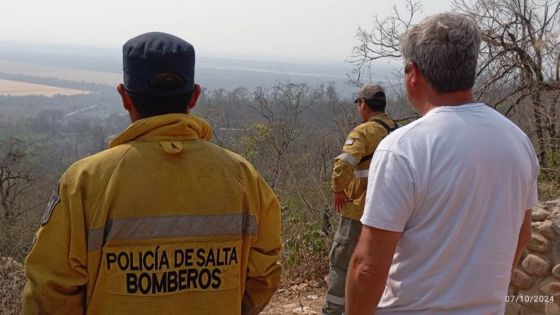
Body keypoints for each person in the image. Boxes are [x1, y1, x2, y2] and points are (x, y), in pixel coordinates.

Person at [22, 32, 282, 315]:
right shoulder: (243, 177)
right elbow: (264, 273)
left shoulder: (85, 181)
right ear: (194, 96)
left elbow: (49, 291)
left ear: (124, 97)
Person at [345, 13, 538, 315]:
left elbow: (368, 267)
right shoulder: (517, 142)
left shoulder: (403, 149)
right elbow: (522, 234)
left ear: (414, 74)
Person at [323, 84, 396, 315]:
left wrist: (338, 190)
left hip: (358, 211)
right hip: (391, 215)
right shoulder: (398, 132)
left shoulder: (363, 133)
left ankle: (334, 310)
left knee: (342, 261)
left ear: (363, 104)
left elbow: (343, 164)